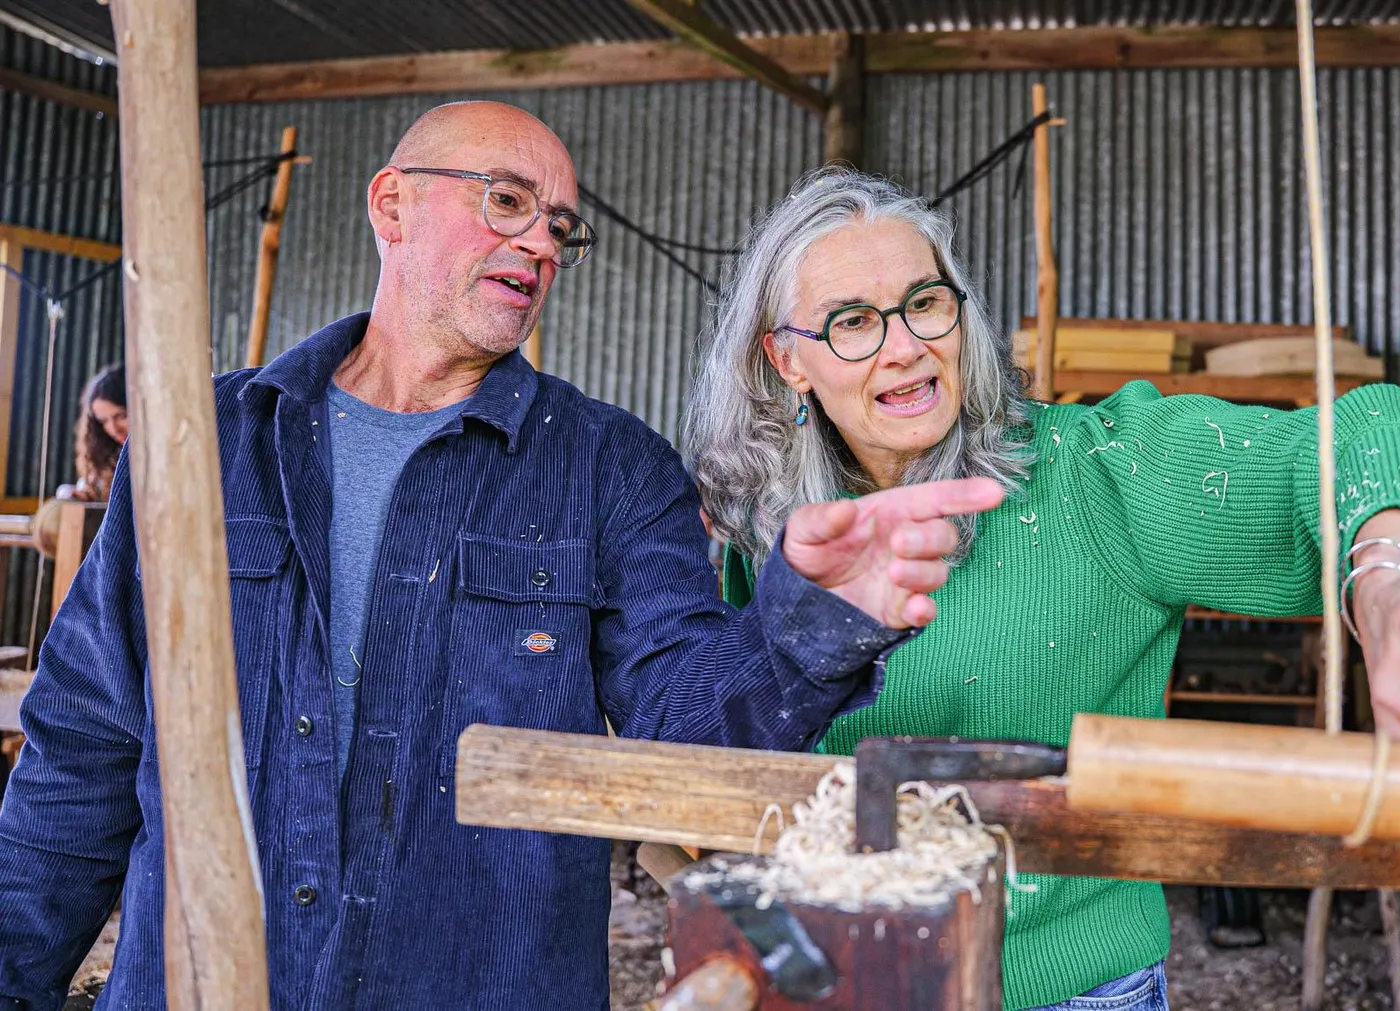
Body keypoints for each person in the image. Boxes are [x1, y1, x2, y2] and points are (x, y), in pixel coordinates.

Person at [0, 103, 1003, 1010]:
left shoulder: (611, 469)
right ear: (392, 206)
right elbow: (84, 747)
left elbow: (682, 740)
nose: (540, 242)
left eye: (560, 227)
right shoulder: (206, 443)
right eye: (507, 200)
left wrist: (806, 625)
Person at [681, 168, 1400, 1011]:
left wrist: (1385, 588)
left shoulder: (1096, 473)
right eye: (851, 322)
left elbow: (1366, 438)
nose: (906, 345)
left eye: (923, 302)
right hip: (828, 985)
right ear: (787, 360)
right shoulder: (757, 531)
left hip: (1067, 987)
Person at [58, 363, 128, 503]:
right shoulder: (107, 458)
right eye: (103, 421)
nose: (113, 428)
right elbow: (86, 488)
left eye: (121, 416)